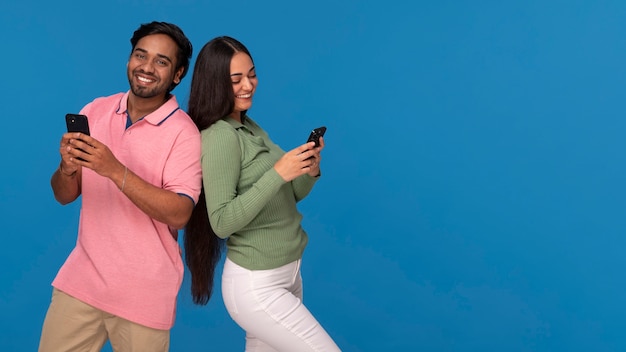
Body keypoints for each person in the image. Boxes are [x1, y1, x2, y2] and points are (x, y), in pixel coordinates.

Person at [39, 21, 200, 352]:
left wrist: (114, 170)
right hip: (81, 283)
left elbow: (181, 213)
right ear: (129, 60)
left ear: (178, 75)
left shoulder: (184, 133)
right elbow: (63, 196)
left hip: (144, 295)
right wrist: (67, 169)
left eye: (161, 61)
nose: (146, 67)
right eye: (140, 55)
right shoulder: (96, 110)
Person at [184, 36, 341, 352]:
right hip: (257, 286)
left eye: (251, 74)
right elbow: (222, 221)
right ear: (215, 83)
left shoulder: (250, 126)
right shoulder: (220, 138)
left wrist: (309, 169)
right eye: (235, 79)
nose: (248, 85)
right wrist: (277, 173)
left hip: (287, 274)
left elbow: (288, 195)